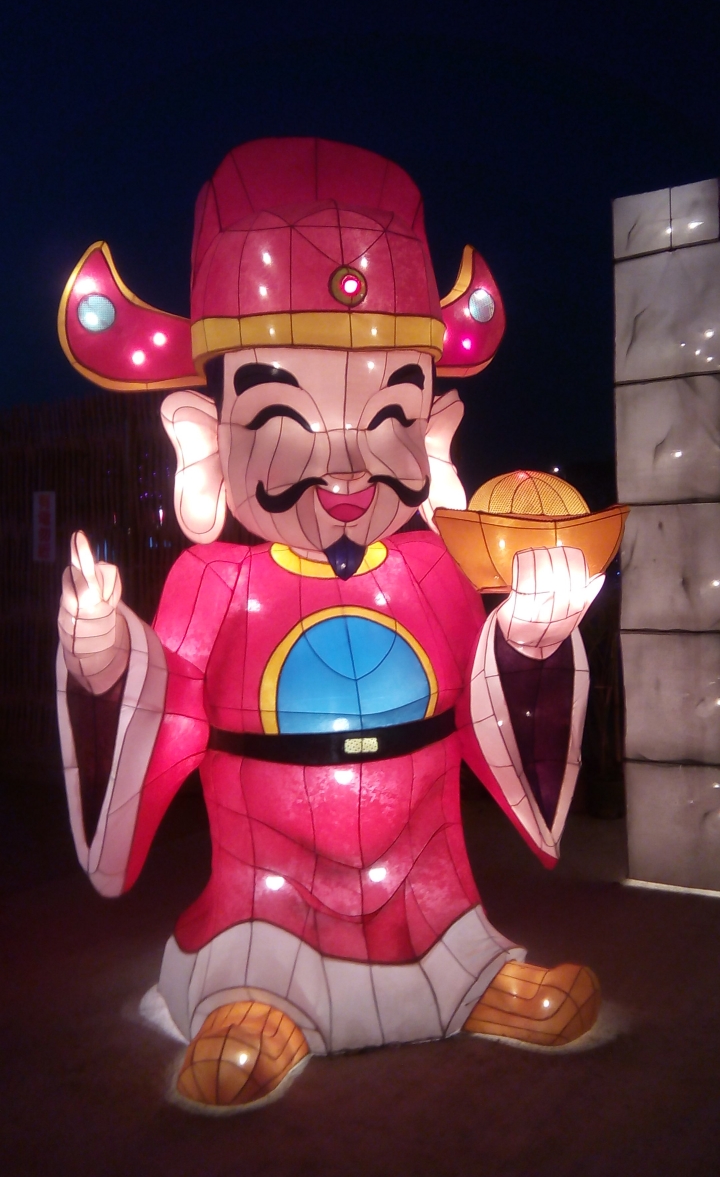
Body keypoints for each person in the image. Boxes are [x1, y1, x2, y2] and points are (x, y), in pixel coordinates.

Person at [57, 138, 602, 1112]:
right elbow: (162, 703)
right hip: (269, 890)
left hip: (428, 874)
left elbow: (486, 702)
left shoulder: (433, 569)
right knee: (256, 962)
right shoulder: (214, 580)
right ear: (203, 439)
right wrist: (105, 654)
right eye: (285, 415)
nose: (347, 464)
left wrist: (528, 642)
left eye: (392, 413)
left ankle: (470, 979)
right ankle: (252, 998)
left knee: (448, 923)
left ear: (434, 433)